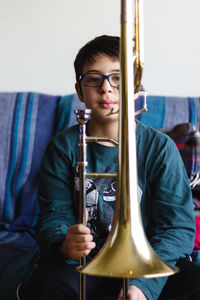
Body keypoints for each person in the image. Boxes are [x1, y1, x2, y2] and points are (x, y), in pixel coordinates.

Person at [18, 35, 199, 300]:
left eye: (118, 78)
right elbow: (53, 217)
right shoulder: (62, 147)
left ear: (136, 88)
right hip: (86, 261)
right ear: (80, 91)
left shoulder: (161, 148)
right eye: (93, 79)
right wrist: (65, 243)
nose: (107, 89)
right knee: (46, 286)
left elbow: (177, 227)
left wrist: (142, 286)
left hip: (148, 259)